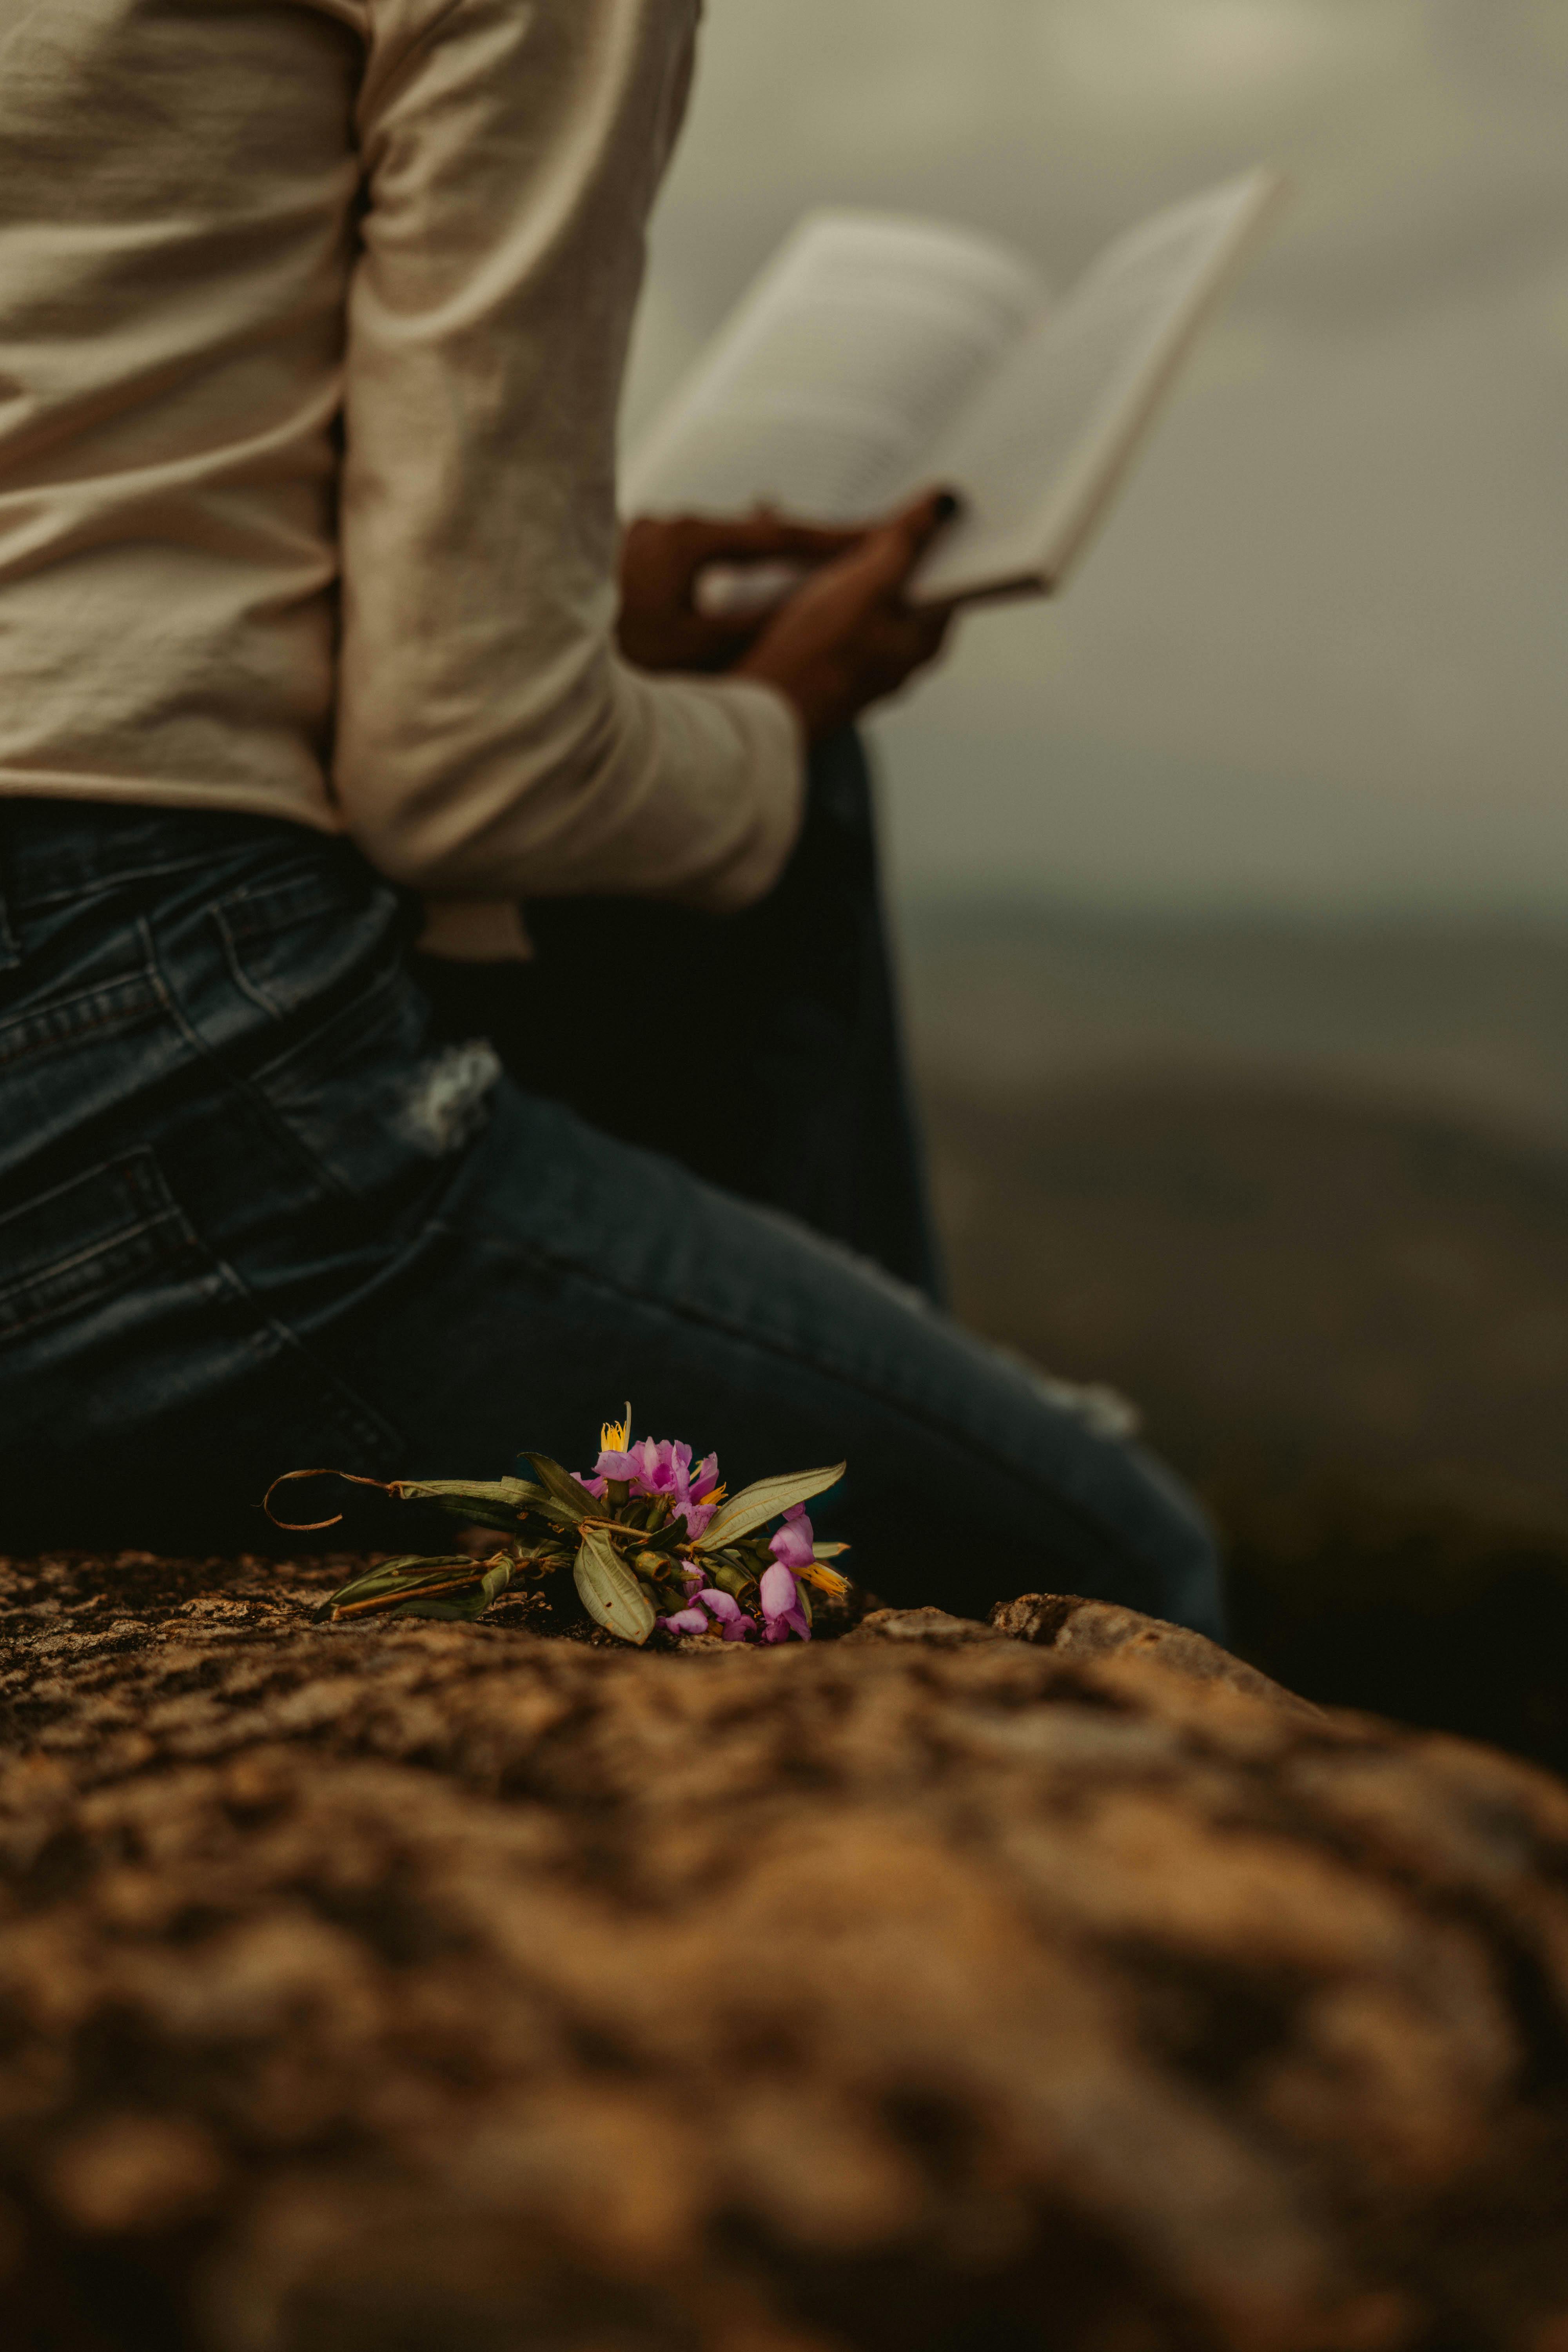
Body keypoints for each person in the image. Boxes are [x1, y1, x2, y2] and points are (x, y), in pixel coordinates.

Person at [0, 0, 1221, 1635]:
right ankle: (824, 1631)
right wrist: (780, 716)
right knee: (1105, 1572)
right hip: (124, 1082)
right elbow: (470, 772)